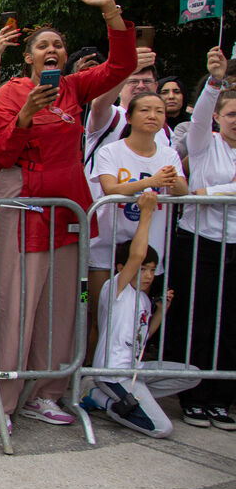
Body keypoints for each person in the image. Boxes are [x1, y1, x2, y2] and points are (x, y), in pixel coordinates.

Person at [0, 0, 136, 436]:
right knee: (17, 305)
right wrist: (26, 115)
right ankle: (2, 403)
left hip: (67, 208)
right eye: (43, 45)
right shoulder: (12, 92)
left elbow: (122, 66)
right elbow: (1, 153)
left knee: (64, 304)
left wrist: (110, 12)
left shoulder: (73, 87)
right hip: (22, 204)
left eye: (58, 45)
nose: (52, 50)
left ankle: (46, 395)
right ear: (28, 57)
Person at [84, 190, 196, 438]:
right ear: (122, 268)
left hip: (136, 369)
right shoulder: (116, 287)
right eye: (143, 269)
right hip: (114, 373)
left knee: (193, 374)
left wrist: (161, 312)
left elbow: (142, 337)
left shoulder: (143, 299)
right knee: (162, 428)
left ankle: (134, 399)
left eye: (152, 271)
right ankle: (103, 399)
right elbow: (136, 255)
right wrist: (146, 214)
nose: (148, 276)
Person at [164, 47, 236, 430]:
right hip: (199, 243)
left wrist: (206, 193)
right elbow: (201, 115)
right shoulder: (204, 142)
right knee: (197, 320)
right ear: (218, 118)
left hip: (234, 246)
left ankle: (221, 398)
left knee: (230, 323)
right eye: (231, 114)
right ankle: (192, 396)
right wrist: (215, 82)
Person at [86, 91, 186, 356]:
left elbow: (183, 189)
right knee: (99, 316)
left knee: (132, 317)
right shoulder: (110, 151)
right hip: (105, 247)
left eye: (159, 111)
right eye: (145, 110)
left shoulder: (169, 155)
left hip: (147, 250)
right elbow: (110, 188)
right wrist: (151, 182)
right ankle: (91, 374)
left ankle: (125, 370)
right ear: (129, 117)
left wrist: (172, 181)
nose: (153, 116)